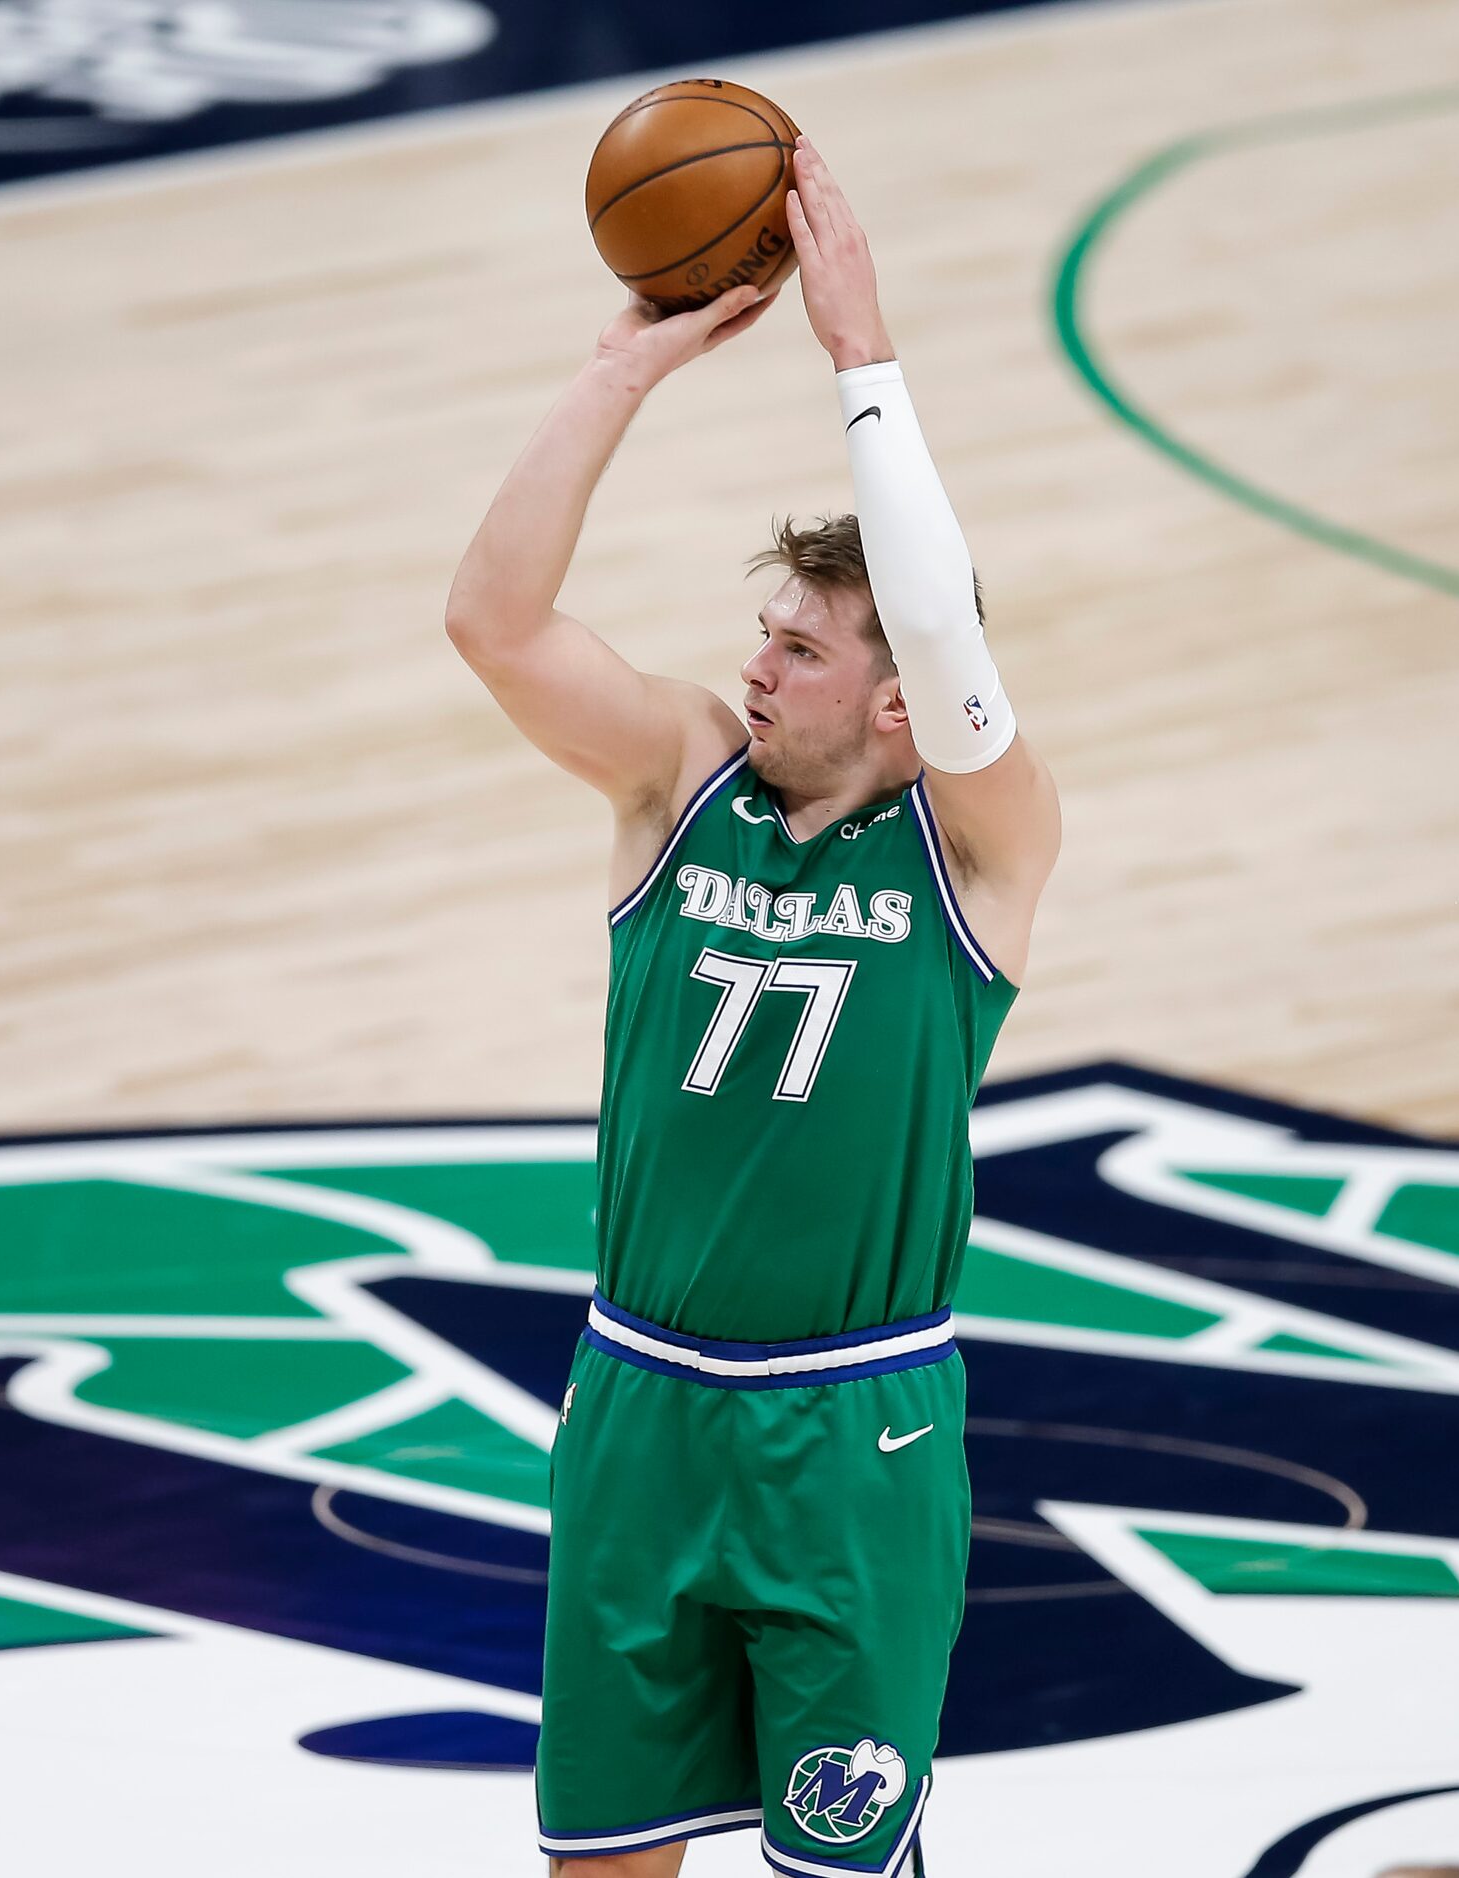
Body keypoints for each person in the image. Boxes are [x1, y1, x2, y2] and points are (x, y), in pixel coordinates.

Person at [442, 135, 1061, 1878]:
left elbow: (938, 623)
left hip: (851, 1433)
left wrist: (863, 356)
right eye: (766, 630)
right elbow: (491, 618)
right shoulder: (680, 781)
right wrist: (624, 361)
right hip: (637, 1401)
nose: (756, 663)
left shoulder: (981, 850)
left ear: (896, 707)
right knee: (603, 1867)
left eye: (803, 648)